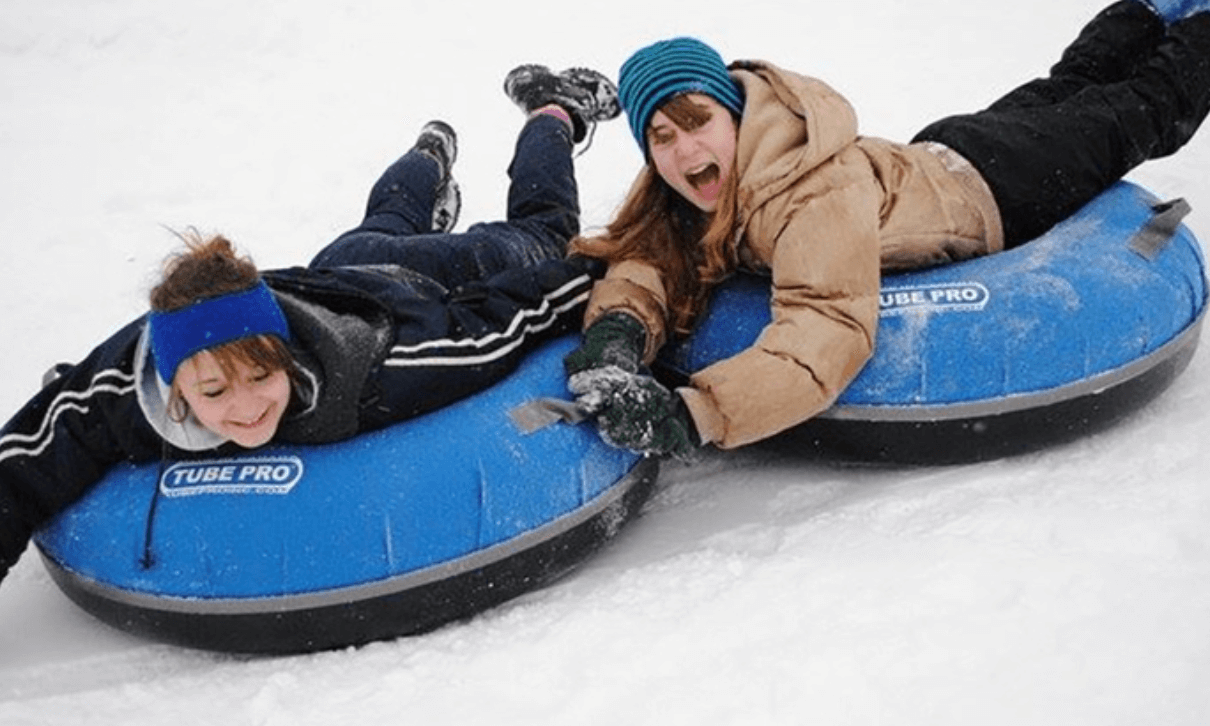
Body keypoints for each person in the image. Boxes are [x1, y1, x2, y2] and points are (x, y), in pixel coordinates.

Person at [0, 65, 621, 586]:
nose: (243, 408)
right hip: (331, 272)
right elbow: (24, 461)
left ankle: (551, 111)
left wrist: (601, 270)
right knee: (381, 223)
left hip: (419, 285)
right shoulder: (130, 382)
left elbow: (508, 318)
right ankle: (427, 152)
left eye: (260, 377)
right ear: (177, 386)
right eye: (213, 392)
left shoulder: (390, 367)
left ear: (288, 361)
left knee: (543, 234)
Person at [562, 0, 1210, 461]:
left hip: (1003, 183)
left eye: (697, 121)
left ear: (737, 116)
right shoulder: (696, 191)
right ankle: (1147, 10)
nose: (681, 149)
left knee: (1148, 107)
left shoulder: (809, 189)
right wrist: (616, 338)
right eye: (661, 136)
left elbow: (828, 329)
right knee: (1071, 85)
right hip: (939, 153)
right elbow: (647, 263)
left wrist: (695, 414)